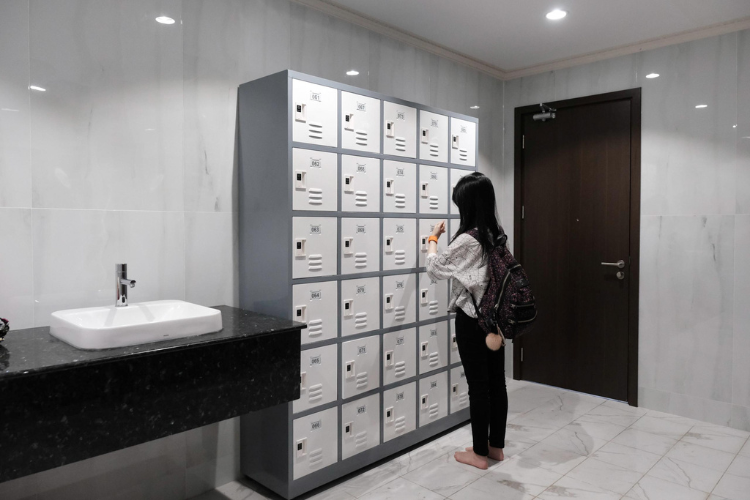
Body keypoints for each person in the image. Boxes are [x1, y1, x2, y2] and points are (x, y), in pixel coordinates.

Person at [425, 172, 507, 471]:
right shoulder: (495, 233)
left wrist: (432, 239)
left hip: (472, 319)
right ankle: (495, 447)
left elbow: (434, 268)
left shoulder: (467, 239)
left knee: (478, 386)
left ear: (468, 204)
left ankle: (479, 454)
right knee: (497, 383)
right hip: (494, 319)